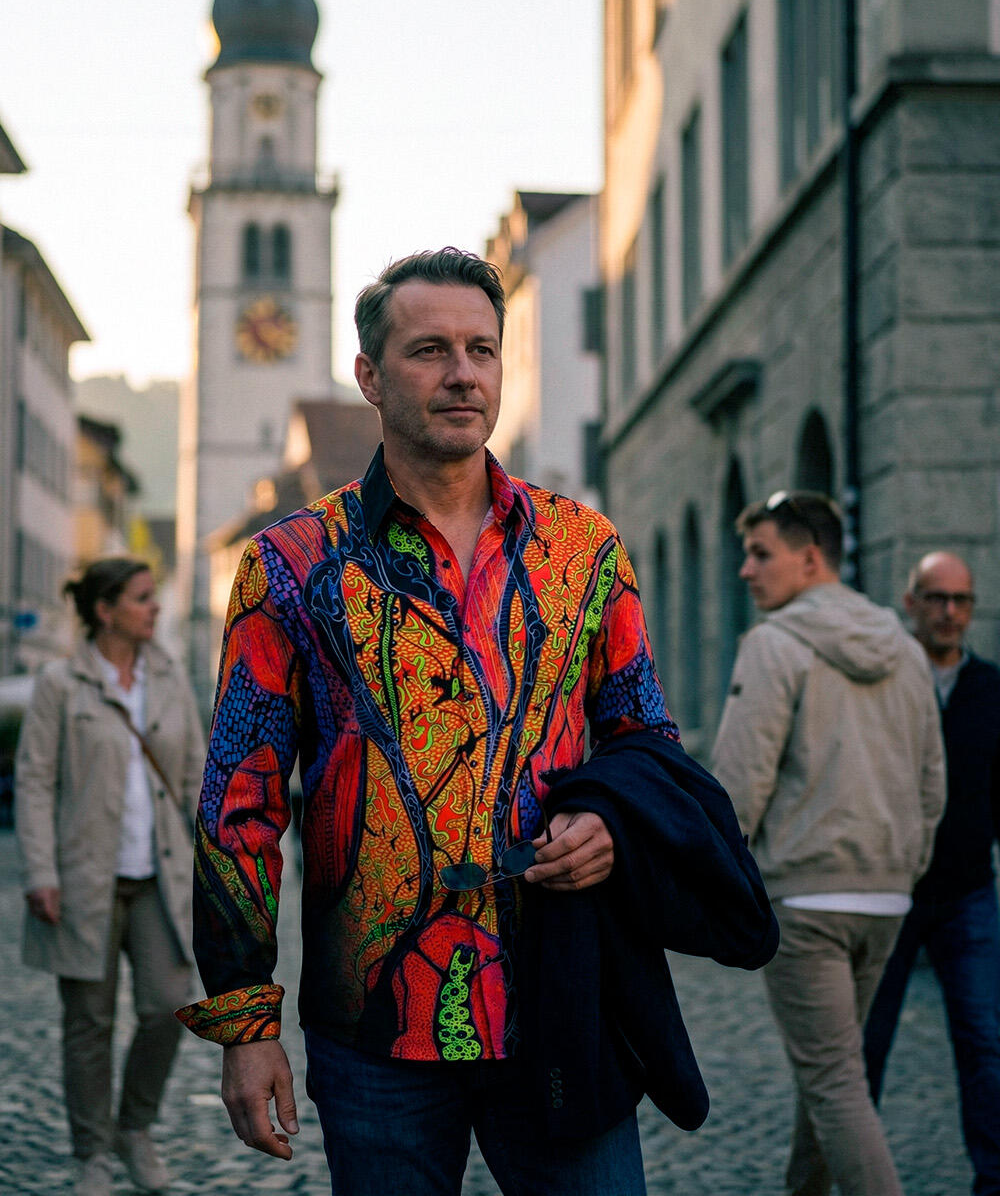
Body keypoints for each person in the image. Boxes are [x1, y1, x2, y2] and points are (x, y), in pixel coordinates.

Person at [177, 247, 778, 1196]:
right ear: (371, 377)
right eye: (430, 350)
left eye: (482, 350)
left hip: (559, 998)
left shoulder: (584, 550)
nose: (463, 373)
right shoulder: (289, 566)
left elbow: (645, 743)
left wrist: (610, 826)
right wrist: (246, 1026)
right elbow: (238, 807)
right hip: (374, 1028)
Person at [711, 491, 945, 1196]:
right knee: (835, 1074)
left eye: (761, 554)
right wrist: (904, 863)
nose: (746, 571)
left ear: (810, 558)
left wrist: (717, 890)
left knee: (836, 1082)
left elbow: (736, 788)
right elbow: (932, 780)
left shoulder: (773, 645)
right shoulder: (906, 652)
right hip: (886, 896)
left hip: (809, 899)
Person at [15, 558, 205, 1196]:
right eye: (142, 599)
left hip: (159, 876)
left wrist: (213, 863)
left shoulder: (171, 677)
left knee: (168, 1006)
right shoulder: (59, 685)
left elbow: (194, 781)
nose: (154, 609)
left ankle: (135, 1128)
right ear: (105, 610)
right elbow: (36, 784)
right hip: (83, 878)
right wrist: (41, 873)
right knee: (88, 1024)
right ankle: (92, 1153)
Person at [864, 551, 1000, 1194]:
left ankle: (993, 1178)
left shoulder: (992, 690)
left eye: (962, 601)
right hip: (889, 892)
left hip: (968, 895)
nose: (951, 613)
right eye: (937, 598)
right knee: (865, 1047)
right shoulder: (884, 683)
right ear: (911, 602)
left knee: (985, 1043)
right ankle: (854, 1175)